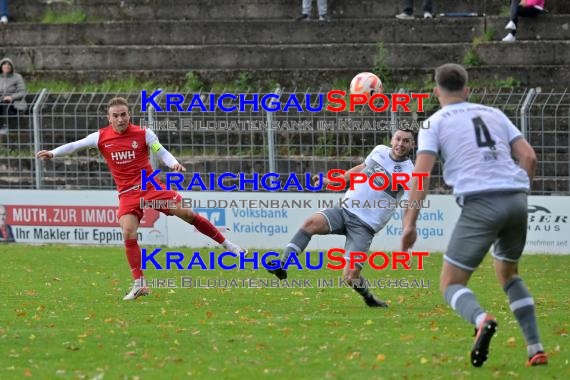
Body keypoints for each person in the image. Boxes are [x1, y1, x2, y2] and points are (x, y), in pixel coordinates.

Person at [400, 63, 547, 367]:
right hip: (517, 198)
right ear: (467, 90)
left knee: (451, 284)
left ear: (436, 92)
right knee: (508, 274)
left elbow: (421, 176)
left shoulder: (434, 123)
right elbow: (529, 156)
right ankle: (536, 348)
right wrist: (517, 193)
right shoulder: (494, 114)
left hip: (481, 202)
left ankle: (481, 320)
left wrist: (409, 224)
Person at [36, 97, 247, 301]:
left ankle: (230, 246)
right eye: (115, 116)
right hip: (128, 193)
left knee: (189, 215)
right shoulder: (100, 137)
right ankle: (139, 284)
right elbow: (75, 145)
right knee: (128, 231)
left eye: (124, 115)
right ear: (108, 118)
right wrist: (53, 153)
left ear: (130, 115)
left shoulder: (143, 133)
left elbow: (160, 151)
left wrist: (173, 163)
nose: (120, 119)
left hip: (151, 187)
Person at [267, 129, 415, 307]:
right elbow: (361, 169)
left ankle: (369, 299)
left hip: (365, 226)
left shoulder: (410, 172)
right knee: (310, 224)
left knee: (350, 277)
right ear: (392, 139)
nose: (400, 144)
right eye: (398, 139)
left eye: (406, 141)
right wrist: (333, 181)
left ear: (412, 145)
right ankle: (282, 265)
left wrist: (406, 244)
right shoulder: (379, 151)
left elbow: (408, 207)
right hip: (344, 210)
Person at [0, 57, 27, 134]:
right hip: (1, 102)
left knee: (5, 103)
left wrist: (11, 97)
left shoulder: (17, 77)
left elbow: (22, 92)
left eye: (9, 64)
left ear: (12, 67)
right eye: (4, 64)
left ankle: (4, 126)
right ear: (1, 67)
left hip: (15, 104)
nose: (7, 66)